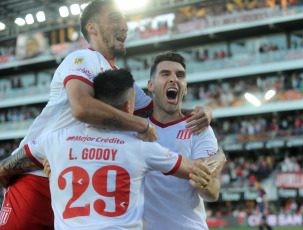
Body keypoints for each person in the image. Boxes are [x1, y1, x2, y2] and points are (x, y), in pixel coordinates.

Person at [0, 1, 212, 229]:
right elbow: (82, 108)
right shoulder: (81, 58)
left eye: (124, 20)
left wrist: (203, 113)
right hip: (37, 179)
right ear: (93, 28)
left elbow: (164, 111)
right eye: (115, 18)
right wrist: (140, 125)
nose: (124, 26)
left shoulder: (122, 82)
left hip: (76, 184)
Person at [0, 69, 221, 230]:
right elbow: (199, 170)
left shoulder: (53, 140)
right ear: (128, 108)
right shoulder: (141, 148)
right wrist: (221, 155)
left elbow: (8, 166)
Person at [143, 52, 225, 230]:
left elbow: (213, 191)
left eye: (180, 75)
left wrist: (205, 182)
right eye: (165, 74)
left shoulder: (199, 128)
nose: (173, 79)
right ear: (151, 85)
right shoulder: (136, 128)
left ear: (185, 88)